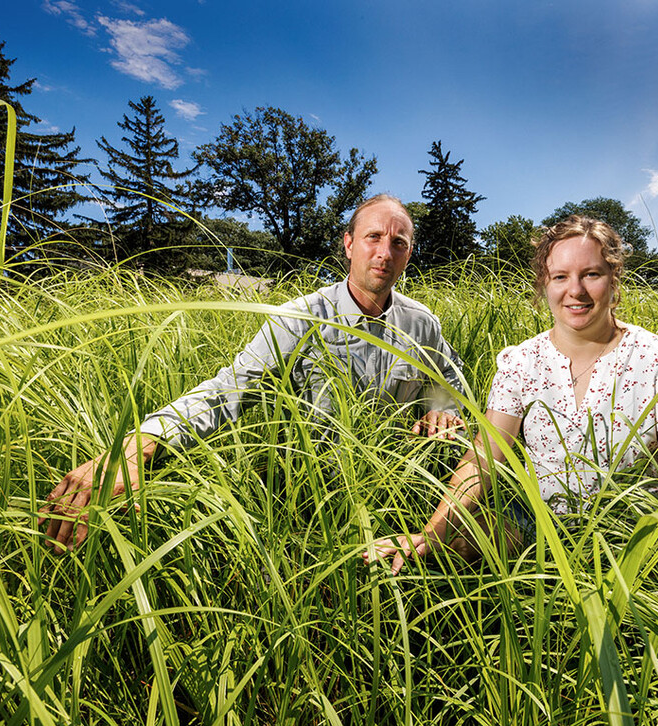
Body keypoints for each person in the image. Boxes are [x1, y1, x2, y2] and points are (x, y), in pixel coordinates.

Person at [364, 215, 658, 633]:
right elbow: (484, 459)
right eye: (560, 276)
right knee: (441, 563)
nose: (575, 290)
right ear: (543, 284)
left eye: (592, 274)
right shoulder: (521, 362)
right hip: (537, 526)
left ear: (614, 279)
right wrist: (430, 534)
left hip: (630, 539)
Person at [42, 194, 466, 553]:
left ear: (408, 254)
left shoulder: (421, 323)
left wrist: (441, 408)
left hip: (401, 507)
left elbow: (449, 380)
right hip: (310, 512)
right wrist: (139, 445)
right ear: (349, 244)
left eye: (399, 242)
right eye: (373, 237)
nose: (384, 252)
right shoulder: (299, 318)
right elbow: (228, 389)